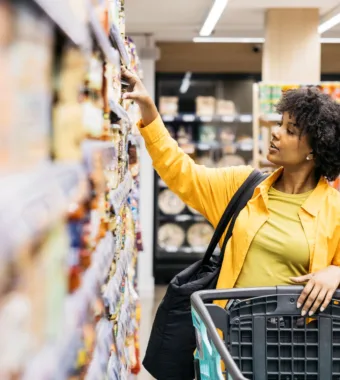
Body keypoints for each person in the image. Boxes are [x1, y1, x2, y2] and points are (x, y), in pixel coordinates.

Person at [122, 68, 340, 317]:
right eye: (280, 123)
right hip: (231, 341)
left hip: (294, 348)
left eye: (290, 130)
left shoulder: (334, 210)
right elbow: (184, 173)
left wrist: (337, 272)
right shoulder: (244, 187)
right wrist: (149, 111)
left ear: (315, 149)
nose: (276, 132)